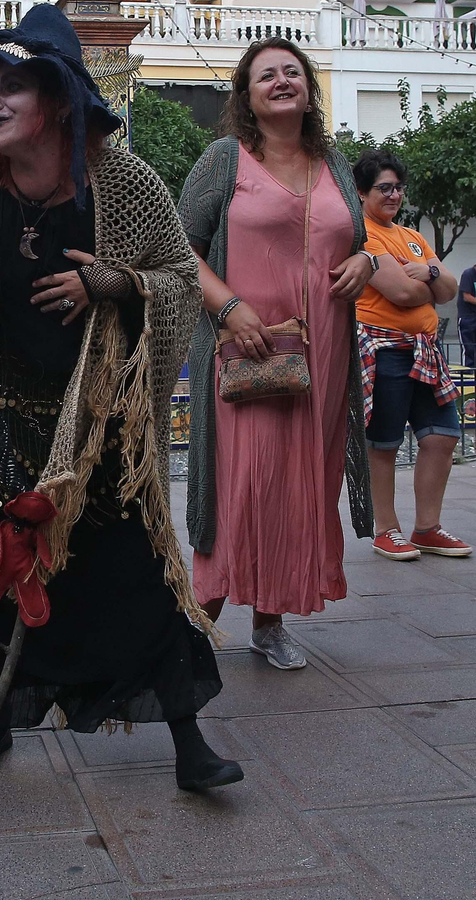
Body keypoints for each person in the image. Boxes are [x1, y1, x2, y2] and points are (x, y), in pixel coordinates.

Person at [0, 5, 241, 792]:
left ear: (60, 101)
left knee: (133, 573)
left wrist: (104, 281)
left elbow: (180, 280)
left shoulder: (124, 181)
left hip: (94, 425)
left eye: (12, 86)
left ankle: (188, 742)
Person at [178, 37, 375, 672]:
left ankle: (270, 621)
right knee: (242, 486)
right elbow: (180, 250)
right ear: (246, 95)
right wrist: (229, 308)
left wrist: (367, 262)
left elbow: (357, 239)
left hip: (323, 357)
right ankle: (191, 627)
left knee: (298, 487)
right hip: (247, 349)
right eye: (267, 75)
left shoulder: (334, 163)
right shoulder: (223, 160)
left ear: (309, 90)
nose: (282, 81)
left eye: (293, 71)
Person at [353, 150, 472, 561]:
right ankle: (386, 529)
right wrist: (432, 281)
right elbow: (401, 292)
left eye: (398, 188)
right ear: (362, 192)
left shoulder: (412, 237)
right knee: (383, 443)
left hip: (425, 351)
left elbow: (450, 290)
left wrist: (432, 273)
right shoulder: (362, 236)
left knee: (442, 436)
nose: (394, 195)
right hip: (383, 350)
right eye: (384, 188)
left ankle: (427, 528)